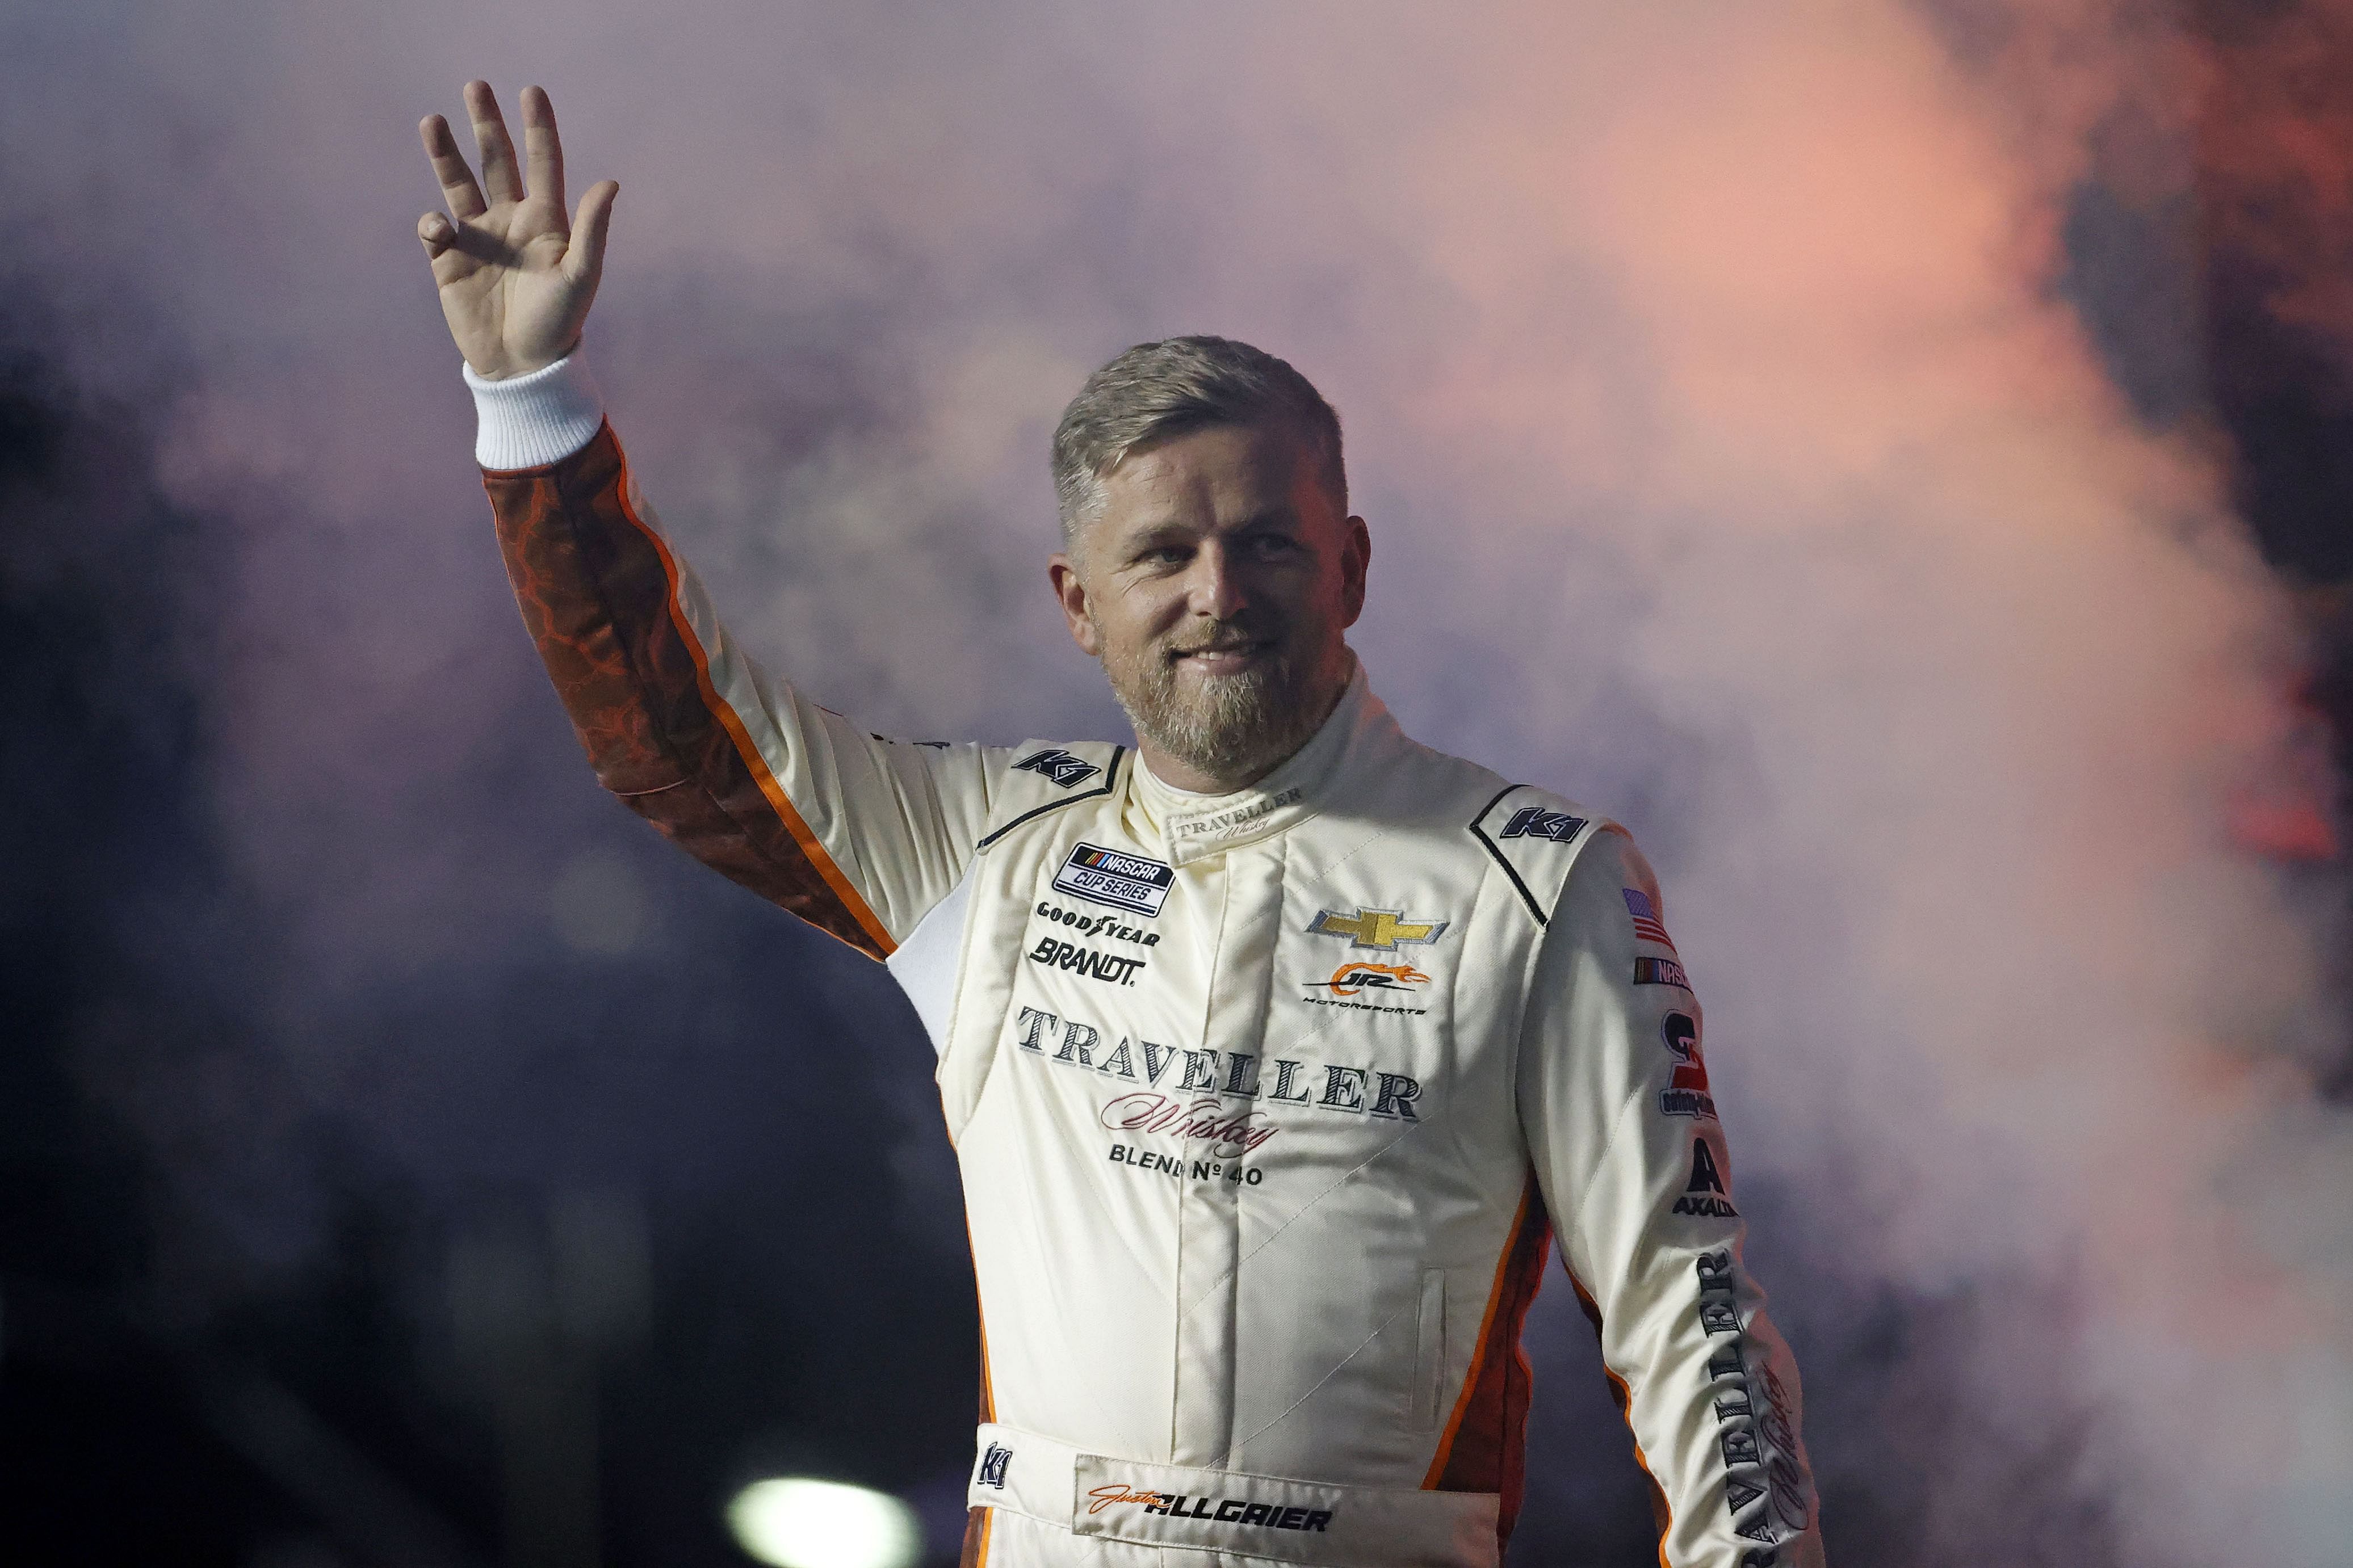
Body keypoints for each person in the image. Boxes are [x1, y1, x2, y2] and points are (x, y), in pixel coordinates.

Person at [416, 80, 1827, 1568]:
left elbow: (1695, 1322)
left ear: (1347, 565)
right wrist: (534, 402)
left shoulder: (1539, 884)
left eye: (1266, 543)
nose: (1218, 594)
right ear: (1074, 603)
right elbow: (678, 743)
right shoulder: (985, 848)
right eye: (1161, 552)